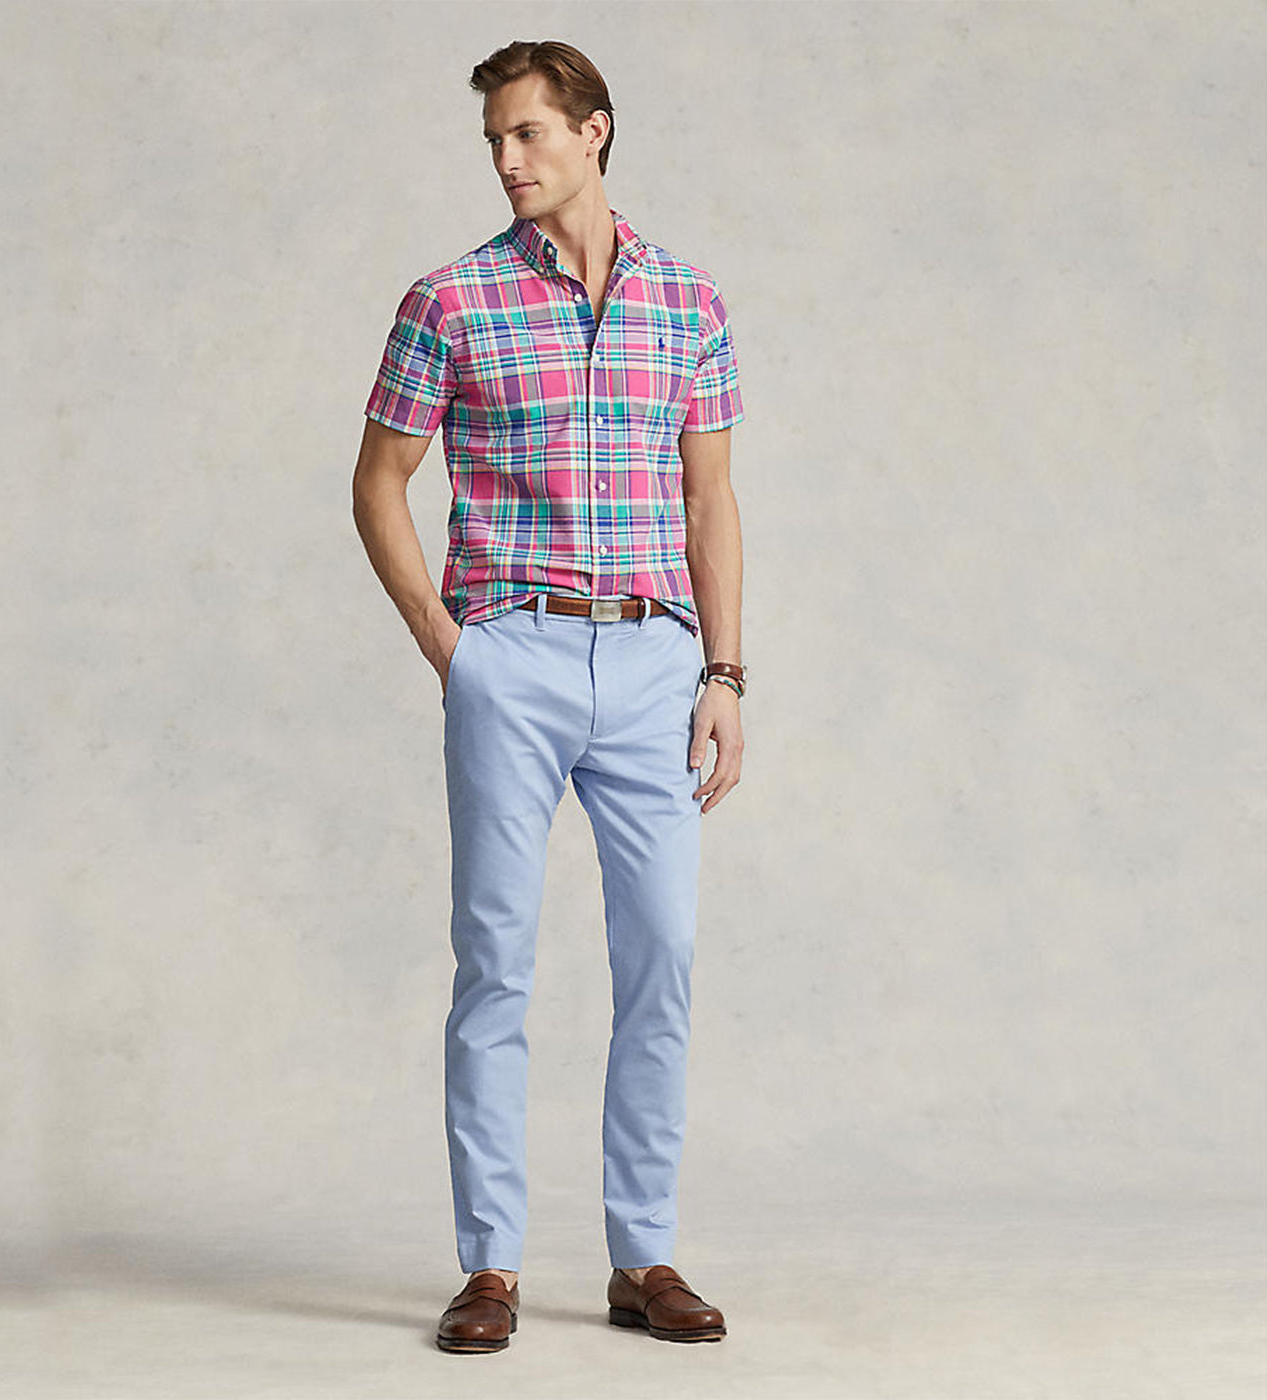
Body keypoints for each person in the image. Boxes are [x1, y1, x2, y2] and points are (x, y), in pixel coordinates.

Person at [352, 38, 746, 1353]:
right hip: (509, 656)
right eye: (495, 141)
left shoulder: (688, 301)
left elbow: (710, 499)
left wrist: (724, 673)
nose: (508, 160)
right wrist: (449, 645)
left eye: (527, 133)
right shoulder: (450, 302)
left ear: (595, 131)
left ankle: (644, 1256)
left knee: (664, 954)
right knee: (496, 963)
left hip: (653, 661)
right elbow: (378, 481)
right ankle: (491, 1267)